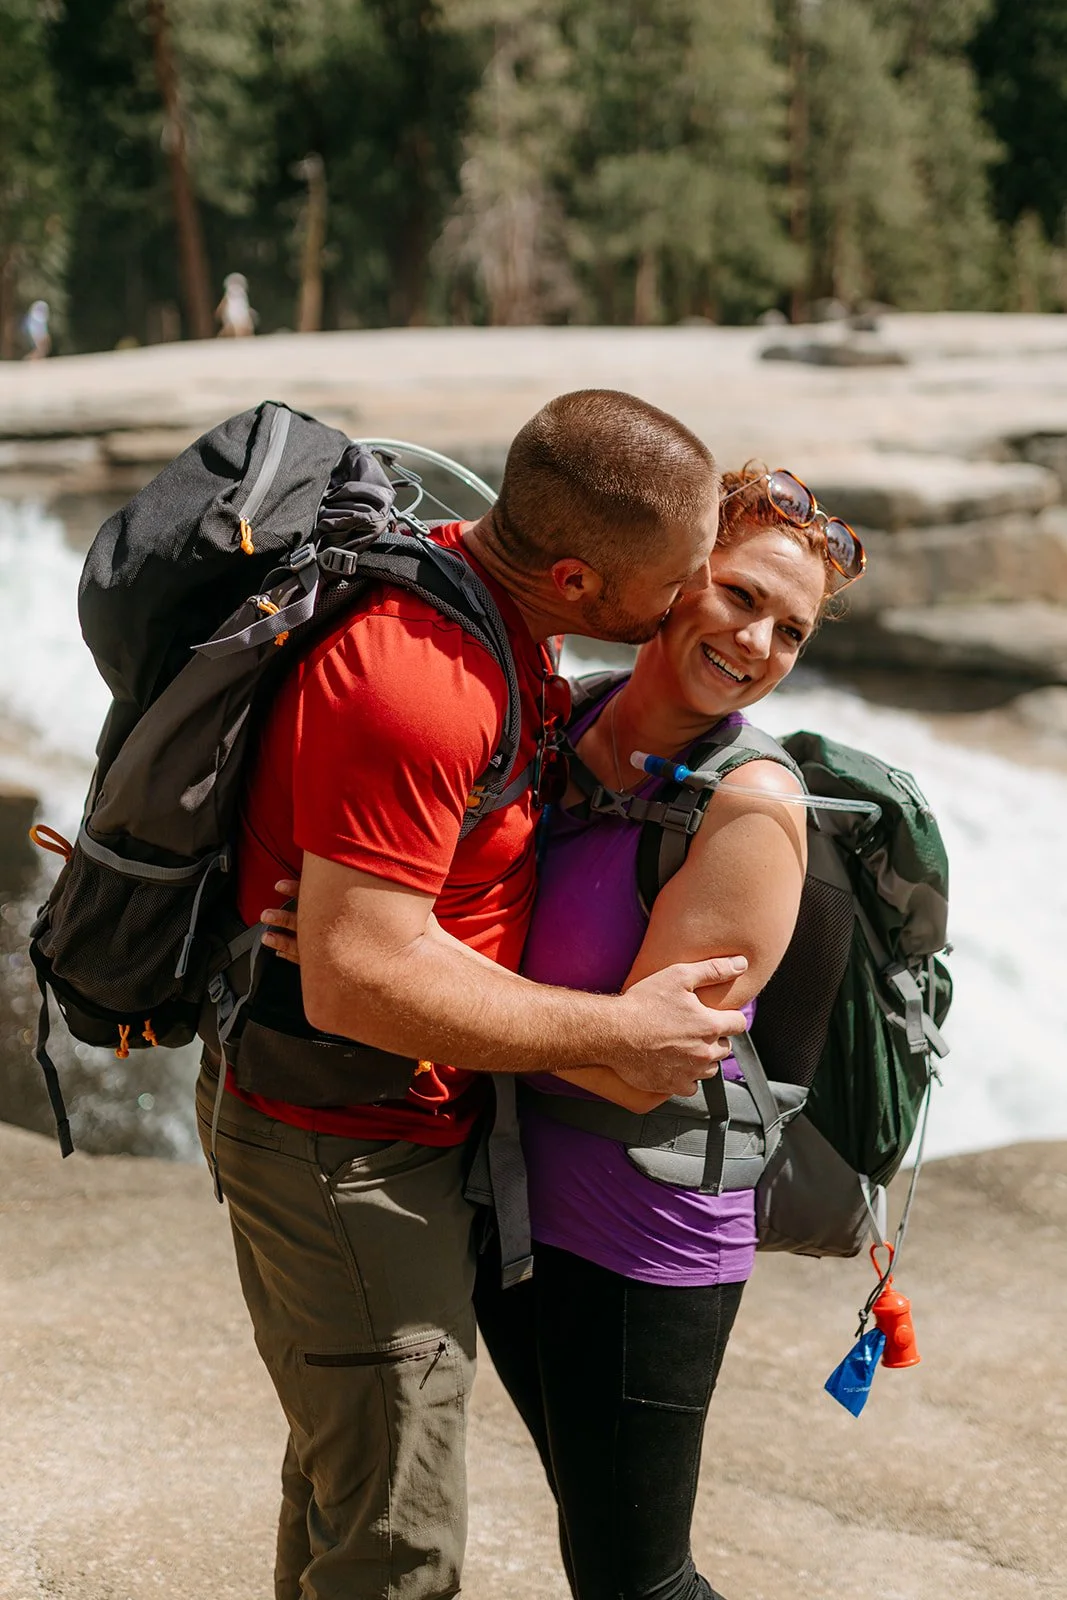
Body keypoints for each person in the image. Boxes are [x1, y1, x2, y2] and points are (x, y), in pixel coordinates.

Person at [200, 389, 750, 1600]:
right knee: (399, 1547)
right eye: (675, 584)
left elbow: (371, 934)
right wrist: (617, 1029)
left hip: (386, 1132)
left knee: (348, 1489)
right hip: (341, 1146)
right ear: (574, 578)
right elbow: (353, 979)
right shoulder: (422, 679)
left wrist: (395, 932)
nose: (691, 602)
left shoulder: (499, 619)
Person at [470, 464, 864, 1600]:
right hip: (509, 1199)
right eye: (740, 596)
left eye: (788, 630)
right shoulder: (571, 711)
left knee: (636, 1578)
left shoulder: (749, 810)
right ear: (677, 575)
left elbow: (636, 1071)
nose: (755, 643)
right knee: (596, 1543)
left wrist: (400, 990)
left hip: (644, 1240)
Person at [216, 271, 256, 336]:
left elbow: (244, 305)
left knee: (246, 327)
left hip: (240, 314)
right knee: (234, 328)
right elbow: (224, 303)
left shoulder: (241, 294)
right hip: (233, 314)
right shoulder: (230, 294)